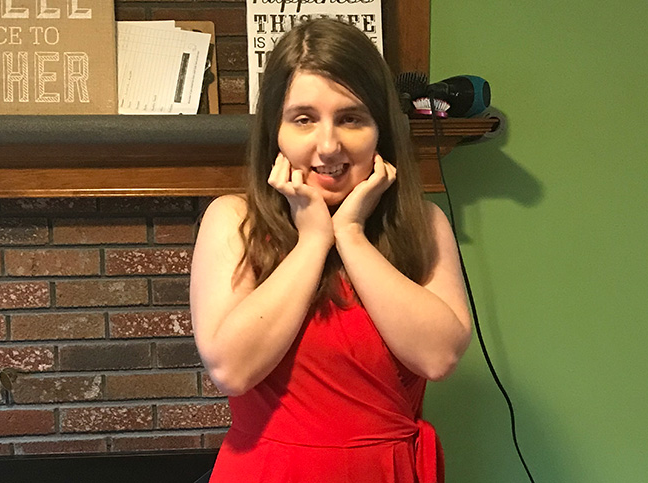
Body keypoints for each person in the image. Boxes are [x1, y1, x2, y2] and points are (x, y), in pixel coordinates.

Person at [190, 18, 472, 483]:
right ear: (274, 132)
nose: (328, 145)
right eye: (303, 119)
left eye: (351, 118)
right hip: (269, 471)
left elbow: (438, 357)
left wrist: (353, 236)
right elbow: (231, 369)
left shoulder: (424, 224)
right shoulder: (234, 219)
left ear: (380, 128)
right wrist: (314, 240)